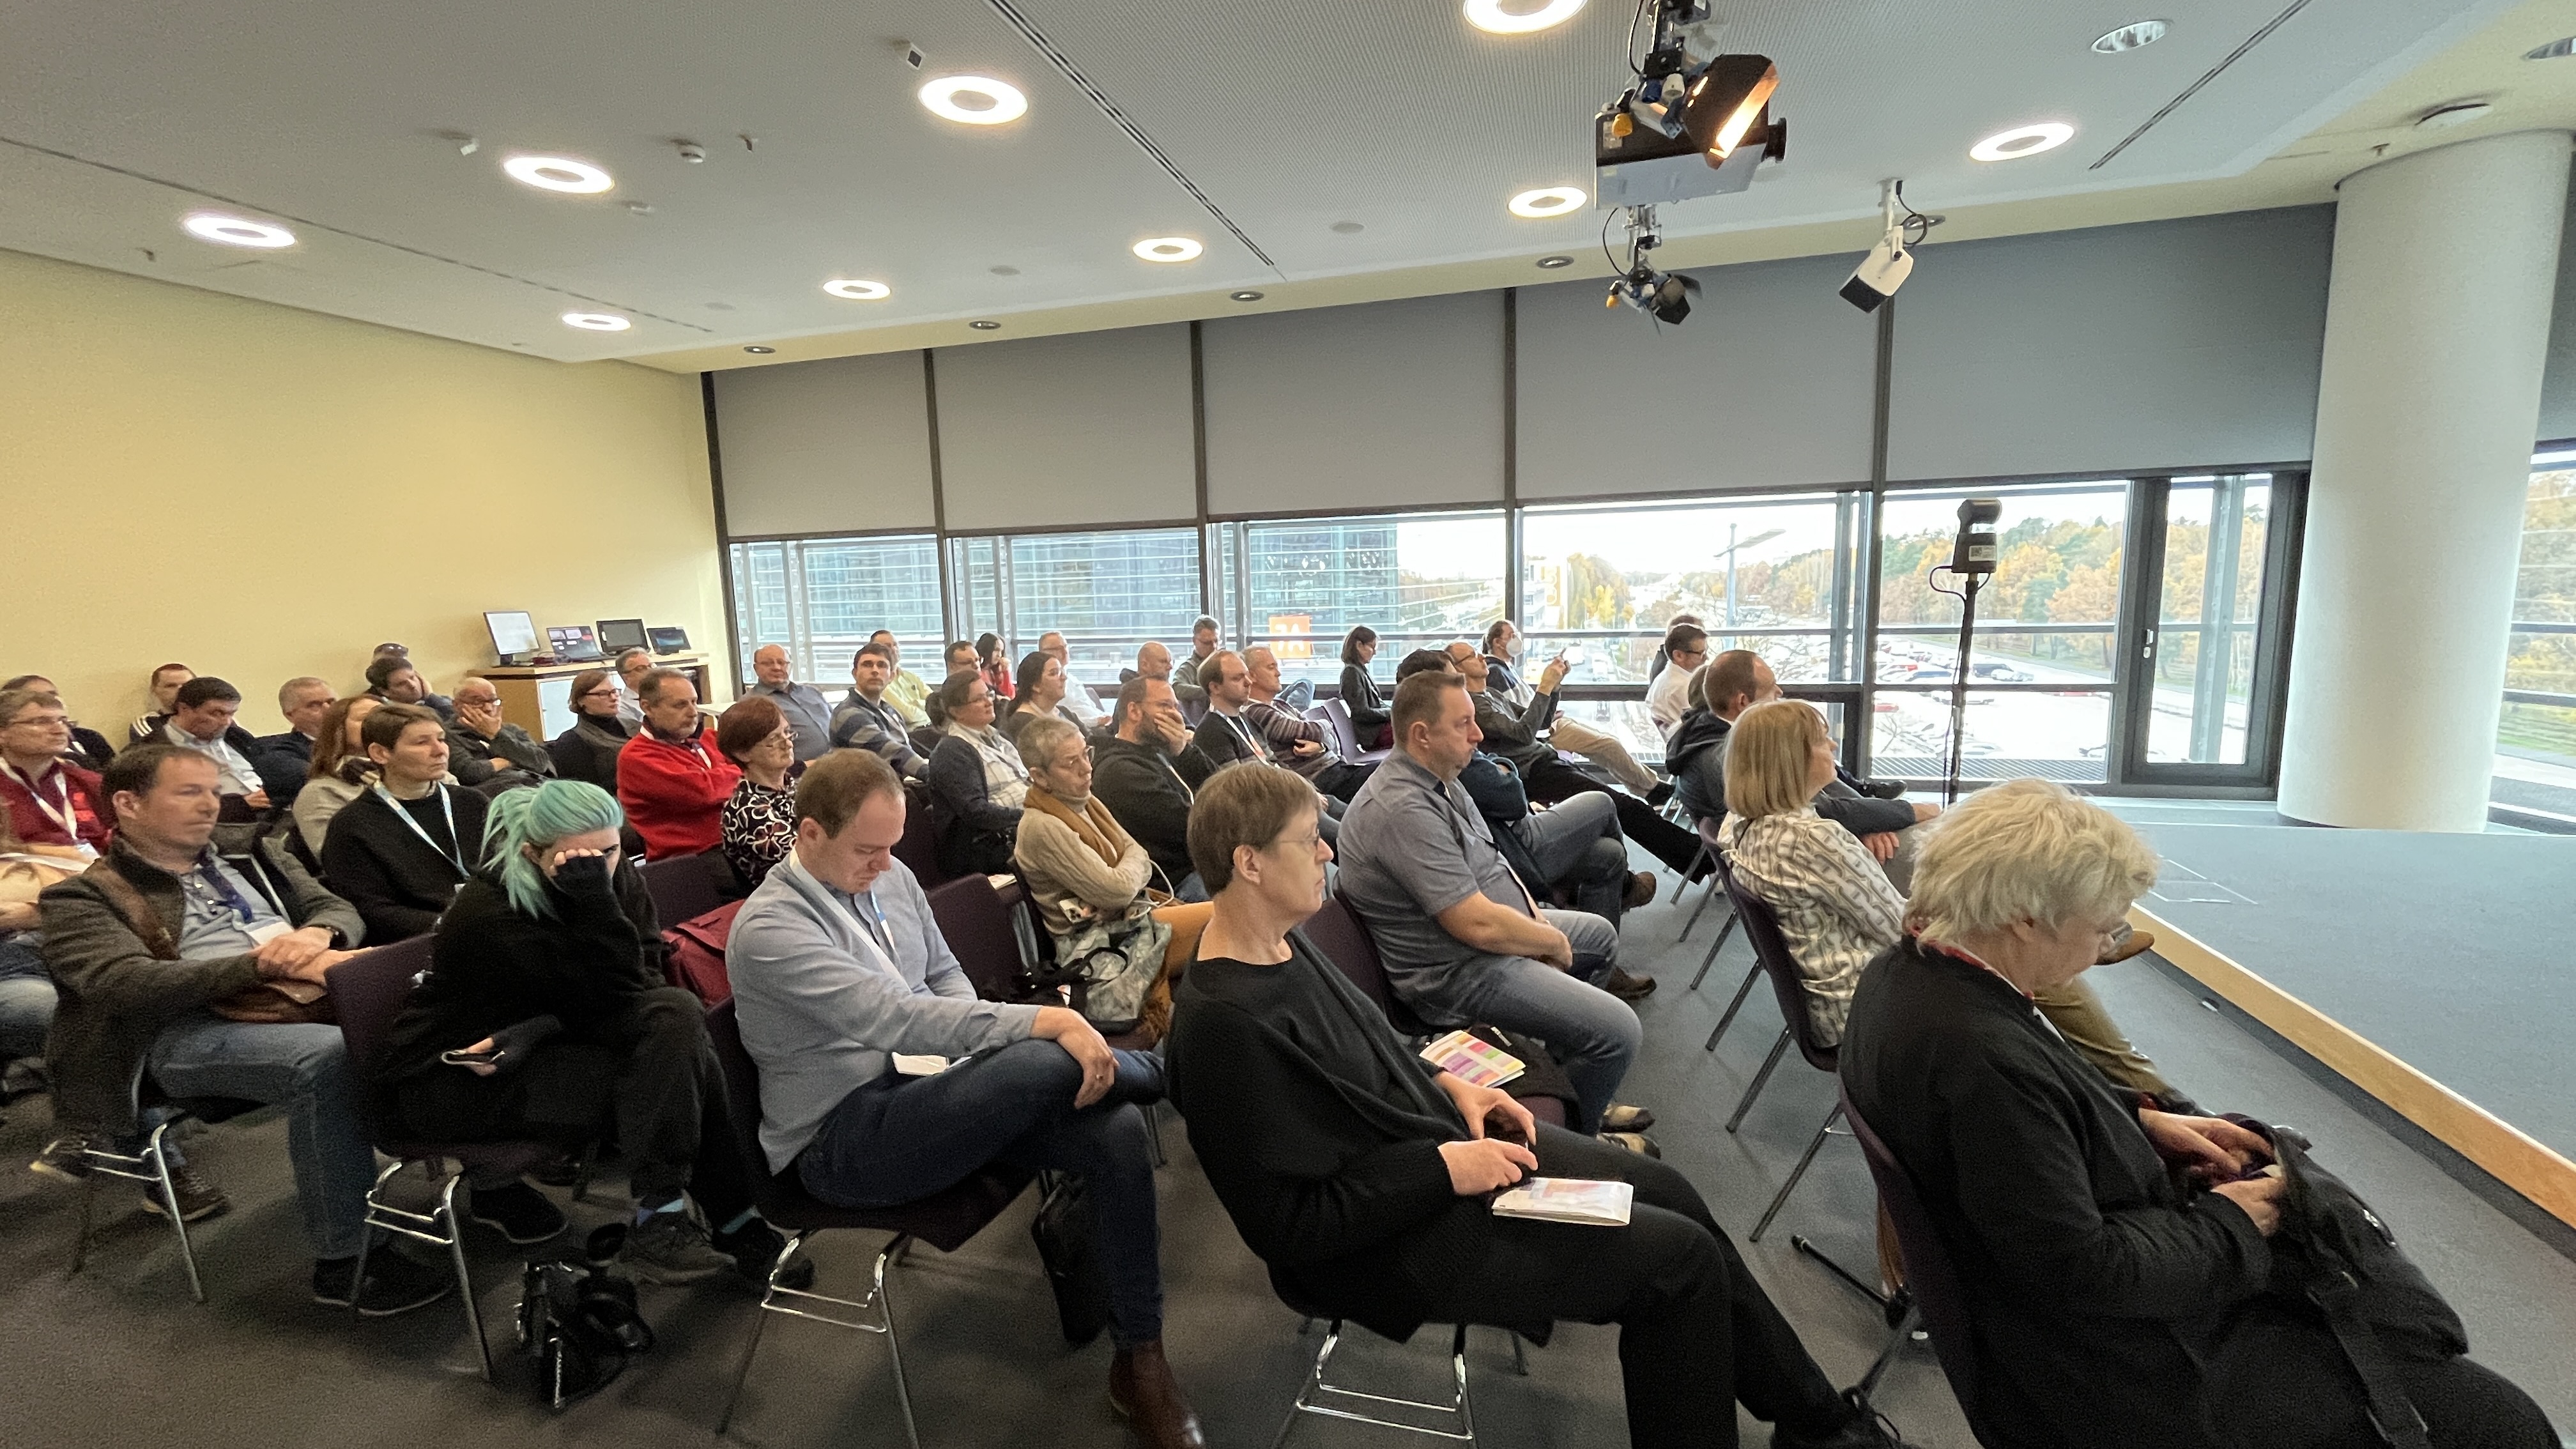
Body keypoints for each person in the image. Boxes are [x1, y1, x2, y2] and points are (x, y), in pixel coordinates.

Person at [1165, 763, 1916, 1449]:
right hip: (1381, 1241)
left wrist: (1450, 1084)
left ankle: (1819, 1423)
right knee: (1677, 1267)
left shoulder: (1282, 943)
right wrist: (1445, 1169)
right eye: (1308, 841)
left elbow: (1368, 1049)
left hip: (1427, 1155)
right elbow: (1290, 1229)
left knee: (1671, 1193)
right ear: (1250, 863)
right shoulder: (1226, 1027)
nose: (1326, 852)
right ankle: (1818, 1426)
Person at [1840, 779, 2555, 1449]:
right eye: (2102, 930)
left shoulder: (1905, 977)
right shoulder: (1981, 1053)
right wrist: (2238, 1221)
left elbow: (2015, 1137)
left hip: (2046, 1338)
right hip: (2117, 1374)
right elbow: (2089, 1272)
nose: (2103, 950)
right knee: (2497, 1422)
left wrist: (2138, 1121)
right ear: (2025, 919)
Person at [726, 750, 1204, 1449]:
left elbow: (945, 977)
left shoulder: (891, 876)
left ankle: (1142, 1359)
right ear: (809, 835)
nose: (885, 865)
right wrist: (1045, 1024)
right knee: (1043, 1053)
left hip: (929, 1088)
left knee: (1116, 1130)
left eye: (893, 846)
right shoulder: (772, 928)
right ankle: (1187, 1079)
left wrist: (987, 1052)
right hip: (842, 1139)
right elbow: (894, 1017)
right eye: (867, 850)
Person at [36, 745, 453, 1314]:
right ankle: (348, 1261)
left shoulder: (250, 850)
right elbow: (125, 985)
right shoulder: (82, 896)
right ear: (129, 804)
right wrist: (265, 966)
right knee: (327, 1059)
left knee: (453, 1000)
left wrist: (316, 937)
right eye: (189, 792)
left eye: (213, 790)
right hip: (175, 1033)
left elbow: (337, 908)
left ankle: (494, 1183)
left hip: (298, 996)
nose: (211, 804)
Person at [371, 779, 790, 1282]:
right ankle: (721, 1220)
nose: (601, 868)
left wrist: (543, 1023)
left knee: (675, 1024)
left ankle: (672, 1216)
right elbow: (615, 994)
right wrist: (594, 903)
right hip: (457, 1076)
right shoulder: (489, 912)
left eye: (611, 852)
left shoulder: (611, 873)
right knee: (674, 1061)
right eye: (577, 861)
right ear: (532, 853)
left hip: (545, 1041)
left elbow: (643, 976)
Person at [1335, 671, 1653, 1142]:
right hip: (1454, 971)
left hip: (1480, 941)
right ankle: (1583, 1142)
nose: (1478, 734)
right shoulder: (1401, 808)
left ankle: (1576, 1092)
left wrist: (1537, 923)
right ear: (1422, 735)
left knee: (1600, 937)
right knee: (1620, 1031)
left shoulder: (1441, 777)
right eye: (1463, 723)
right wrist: (1546, 941)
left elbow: (1497, 864)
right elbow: (1474, 924)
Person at [1716, 702, 1907, 1048]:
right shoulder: (1815, 840)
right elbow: (1903, 930)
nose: (1832, 745)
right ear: (1790, 759)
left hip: (1820, 1004)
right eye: (1821, 740)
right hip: (1858, 1010)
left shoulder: (1739, 823)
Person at [1012, 716, 1215, 1041]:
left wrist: (1123, 877)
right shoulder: (1041, 826)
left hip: (1128, 922)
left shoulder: (1086, 801)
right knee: (1227, 918)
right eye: (1071, 763)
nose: (1086, 768)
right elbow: (1118, 891)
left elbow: (1140, 856)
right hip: (1097, 944)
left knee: (1231, 925)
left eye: (1086, 754)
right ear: (1040, 776)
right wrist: (1124, 878)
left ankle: (1203, 1032)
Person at [1669, 651, 1932, 887]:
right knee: (1927, 854)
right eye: (1771, 688)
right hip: (1808, 860)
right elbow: (1822, 810)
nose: (1780, 692)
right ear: (1743, 701)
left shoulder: (1706, 734)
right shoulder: (1730, 756)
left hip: (1810, 847)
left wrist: (1870, 819)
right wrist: (1907, 811)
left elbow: (1823, 794)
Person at [1440, 643, 1698, 875]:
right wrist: (1543, 687)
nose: (1482, 657)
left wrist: (1554, 687)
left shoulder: (1491, 695)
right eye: (1472, 656)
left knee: (1621, 805)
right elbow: (1523, 733)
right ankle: (1696, 858)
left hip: (1545, 761)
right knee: (1622, 806)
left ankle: (1691, 859)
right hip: (1535, 773)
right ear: (1457, 670)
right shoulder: (1477, 706)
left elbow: (1540, 722)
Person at [318, 703, 488, 944]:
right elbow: (374, 911)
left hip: (489, 921)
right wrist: (455, 924)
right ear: (380, 753)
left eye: (441, 739)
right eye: (422, 742)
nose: (440, 751)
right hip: (425, 940)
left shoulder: (472, 802)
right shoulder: (351, 826)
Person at [1477, 622, 1664, 797]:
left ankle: (1649, 790)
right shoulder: (1496, 673)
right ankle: (1653, 789)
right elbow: (1521, 721)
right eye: (1512, 635)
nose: (1518, 639)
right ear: (1497, 643)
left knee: (1608, 746)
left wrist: (1554, 686)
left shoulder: (1507, 668)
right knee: (1608, 746)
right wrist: (1546, 703)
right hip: (1547, 731)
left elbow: (1530, 709)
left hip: (1548, 724)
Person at [1092, 677, 1219, 900]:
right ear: (1134, 711)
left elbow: (1221, 785)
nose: (1176, 716)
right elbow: (1189, 828)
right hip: (1172, 885)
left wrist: (1183, 751)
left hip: (1197, 866)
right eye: (1164, 706)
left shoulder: (1158, 750)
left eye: (1176, 708)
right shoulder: (1120, 771)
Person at [617, 669, 741, 861]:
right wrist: (745, 770)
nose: (693, 712)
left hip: (734, 844)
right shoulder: (636, 757)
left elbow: (759, 764)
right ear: (648, 708)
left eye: (694, 702)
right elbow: (704, 791)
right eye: (680, 705)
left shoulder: (707, 740)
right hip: (692, 860)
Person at [1, 804, 84, 1078]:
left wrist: (38, 913)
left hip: (79, 953)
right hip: (12, 970)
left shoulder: (50, 856)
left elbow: (107, 896)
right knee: (57, 1014)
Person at [922, 669, 1028, 876]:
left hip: (1023, 828)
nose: (989, 702)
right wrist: (1029, 817)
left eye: (989, 694)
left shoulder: (1000, 739)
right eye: (979, 699)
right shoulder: (951, 752)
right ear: (956, 711)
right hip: (992, 846)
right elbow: (976, 813)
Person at [1241, 646, 1377, 802]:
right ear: (1252, 676)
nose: (1278, 673)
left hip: (1336, 771)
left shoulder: (1280, 705)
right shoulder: (1256, 712)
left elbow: (1330, 737)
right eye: (1271, 667)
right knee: (1390, 773)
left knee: (1391, 772)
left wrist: (1322, 746)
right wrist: (1326, 725)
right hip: (1322, 781)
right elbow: (1309, 730)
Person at [0, 687, 114, 855]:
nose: (59, 730)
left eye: (63, 721)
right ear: (2, 733)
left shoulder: (90, 782)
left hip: (98, 868)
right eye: (41, 722)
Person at [154, 677, 272, 820]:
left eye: (231, 714)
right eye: (217, 713)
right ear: (184, 709)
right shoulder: (156, 750)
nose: (226, 722)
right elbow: (167, 808)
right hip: (222, 824)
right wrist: (240, 805)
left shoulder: (235, 736)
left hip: (271, 812)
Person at [717, 695, 801, 891]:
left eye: (787, 733)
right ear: (743, 753)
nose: (788, 744)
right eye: (773, 740)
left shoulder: (795, 787)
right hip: (785, 899)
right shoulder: (745, 810)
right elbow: (811, 859)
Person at [294, 695, 385, 859]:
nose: (382, 724)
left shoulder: (417, 772)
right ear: (339, 730)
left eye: (386, 718)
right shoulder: (321, 792)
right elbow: (337, 858)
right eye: (367, 718)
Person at [829, 641, 928, 779]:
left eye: (882, 665)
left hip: (892, 783)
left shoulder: (890, 711)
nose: (875, 670)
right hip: (863, 789)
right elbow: (892, 752)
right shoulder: (848, 714)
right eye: (867, 665)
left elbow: (905, 749)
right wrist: (933, 775)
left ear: (891, 676)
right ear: (855, 674)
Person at [443, 676, 553, 790]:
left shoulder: (512, 730)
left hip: (539, 786)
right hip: (499, 792)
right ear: (457, 705)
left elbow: (541, 763)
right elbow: (470, 773)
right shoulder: (447, 735)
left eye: (493, 701)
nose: (488, 708)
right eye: (478, 702)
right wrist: (509, 761)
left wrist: (497, 734)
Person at [249, 677, 337, 806]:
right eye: (314, 705)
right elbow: (314, 780)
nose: (328, 710)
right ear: (290, 715)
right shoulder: (277, 751)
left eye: (332, 702)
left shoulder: (359, 739)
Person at [548, 667, 635, 793]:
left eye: (614, 691)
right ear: (581, 700)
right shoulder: (572, 741)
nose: (613, 697)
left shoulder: (637, 726)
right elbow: (586, 792)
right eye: (602, 694)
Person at [4, 675, 116, 770]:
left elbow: (116, 778)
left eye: (52, 695)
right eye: (41, 722)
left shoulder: (89, 737)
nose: (59, 730)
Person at [746, 645, 833, 763]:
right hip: (798, 769)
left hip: (837, 761)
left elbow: (835, 723)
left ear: (790, 666)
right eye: (768, 663)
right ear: (756, 668)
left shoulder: (811, 692)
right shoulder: (751, 704)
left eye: (782, 663)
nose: (776, 667)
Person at [1000, 649, 1085, 747]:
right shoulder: (1024, 724)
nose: (1064, 678)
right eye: (1054, 673)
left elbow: (1091, 738)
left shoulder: (1063, 711)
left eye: (1062, 672)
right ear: (1036, 686)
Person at [1645, 623, 1708, 733]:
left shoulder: (1665, 677)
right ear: (1679, 655)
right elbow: (1700, 726)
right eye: (1701, 653)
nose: (1706, 658)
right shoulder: (1683, 687)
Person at [1038, 631, 1110, 726]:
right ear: (1043, 652)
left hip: (1100, 722)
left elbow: (1088, 708)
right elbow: (1062, 720)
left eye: (1065, 647)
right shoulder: (1049, 684)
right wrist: (1096, 721)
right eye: (1058, 649)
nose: (1065, 652)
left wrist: (1105, 718)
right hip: (1085, 728)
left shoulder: (1072, 679)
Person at [1336, 625, 1390, 749]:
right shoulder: (1351, 673)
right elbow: (1361, 713)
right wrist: (1391, 713)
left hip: (1377, 730)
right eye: (1372, 647)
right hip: (1373, 734)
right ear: (1359, 645)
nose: (1375, 652)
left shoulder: (1360, 671)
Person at [868, 631, 933, 729]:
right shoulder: (880, 683)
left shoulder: (910, 676)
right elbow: (909, 716)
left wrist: (917, 705)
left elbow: (937, 704)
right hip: (912, 733)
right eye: (887, 646)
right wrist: (923, 705)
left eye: (895, 645)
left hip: (933, 727)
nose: (894, 649)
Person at [363, 653, 454, 723]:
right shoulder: (388, 716)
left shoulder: (441, 701)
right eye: (402, 684)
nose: (412, 685)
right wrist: (431, 697)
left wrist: (431, 697)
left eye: (412, 677)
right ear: (384, 691)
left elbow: (458, 720)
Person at [125, 662, 194, 747]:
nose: (180, 690)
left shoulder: (207, 718)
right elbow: (163, 750)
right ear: (155, 690)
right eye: (171, 686)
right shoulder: (148, 722)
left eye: (187, 685)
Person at [1133, 640, 1207, 709]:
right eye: (1163, 662)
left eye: (1170, 662)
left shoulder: (1171, 693)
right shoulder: (1131, 694)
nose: (1170, 667)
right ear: (1144, 665)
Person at [610, 647, 654, 729]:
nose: (650, 671)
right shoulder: (622, 708)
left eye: (651, 666)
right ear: (627, 678)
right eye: (641, 669)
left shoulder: (663, 695)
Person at [1176, 616, 1220, 690]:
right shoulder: (1188, 669)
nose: (1214, 646)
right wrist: (1212, 691)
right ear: (1194, 641)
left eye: (1216, 641)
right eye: (1207, 642)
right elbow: (1177, 688)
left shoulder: (1225, 664)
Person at [975, 632, 1015, 701]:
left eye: (1001, 651)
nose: (999, 655)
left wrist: (1006, 672)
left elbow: (1010, 696)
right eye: (996, 650)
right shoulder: (976, 671)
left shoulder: (996, 671)